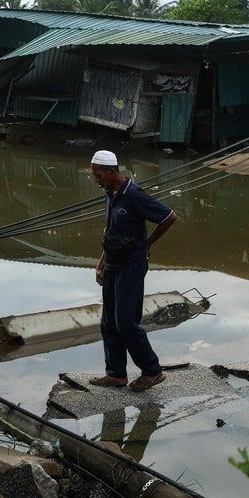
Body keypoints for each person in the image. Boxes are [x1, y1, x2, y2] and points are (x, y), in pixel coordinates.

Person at [87, 149, 179, 392]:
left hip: (131, 265)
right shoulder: (110, 193)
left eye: (97, 174)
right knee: (108, 323)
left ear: (111, 172)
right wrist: (100, 263)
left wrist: (147, 244)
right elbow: (111, 232)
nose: (95, 178)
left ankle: (152, 371)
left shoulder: (134, 194)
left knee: (126, 322)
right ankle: (116, 375)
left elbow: (169, 217)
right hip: (112, 264)